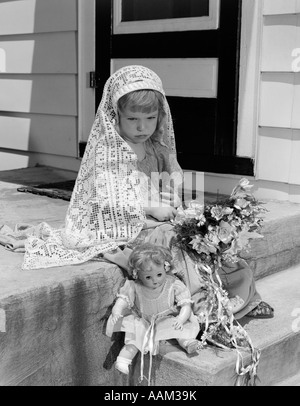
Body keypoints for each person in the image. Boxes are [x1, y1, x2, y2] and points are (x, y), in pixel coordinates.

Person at [0, 64, 273, 322]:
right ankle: (205, 310)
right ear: (115, 116)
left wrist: (173, 201)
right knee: (177, 248)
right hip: (130, 227)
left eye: (150, 118)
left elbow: (168, 185)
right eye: (132, 119)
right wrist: (150, 208)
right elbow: (104, 200)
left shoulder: (156, 148)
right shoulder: (109, 152)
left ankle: (242, 295)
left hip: (161, 220)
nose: (142, 127)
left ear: (161, 116)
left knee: (212, 241)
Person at [106, 243, 200, 379]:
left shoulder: (173, 284)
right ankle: (123, 360)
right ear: (137, 274)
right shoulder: (135, 286)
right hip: (144, 320)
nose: (155, 280)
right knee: (134, 338)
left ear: (166, 268)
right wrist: (117, 310)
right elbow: (123, 299)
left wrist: (181, 319)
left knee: (178, 328)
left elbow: (186, 305)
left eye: (159, 274)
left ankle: (188, 343)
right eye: (148, 277)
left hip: (167, 317)